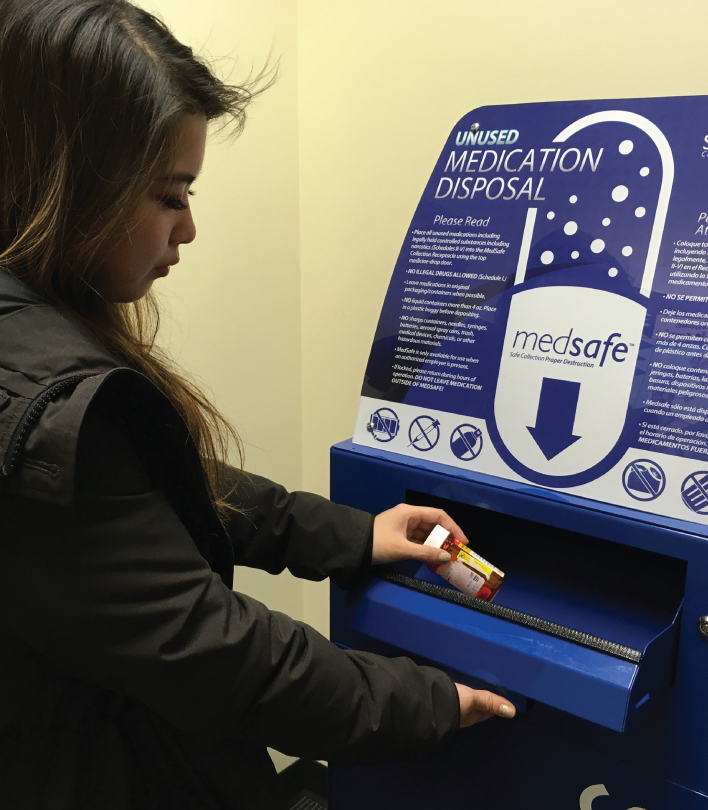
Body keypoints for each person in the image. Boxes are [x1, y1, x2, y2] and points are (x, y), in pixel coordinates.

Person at [0, 1, 515, 808]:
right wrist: (427, 703)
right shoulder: (44, 404)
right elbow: (220, 656)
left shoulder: (32, 340)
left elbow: (157, 488)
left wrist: (346, 534)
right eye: (171, 195)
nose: (190, 228)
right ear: (73, 184)